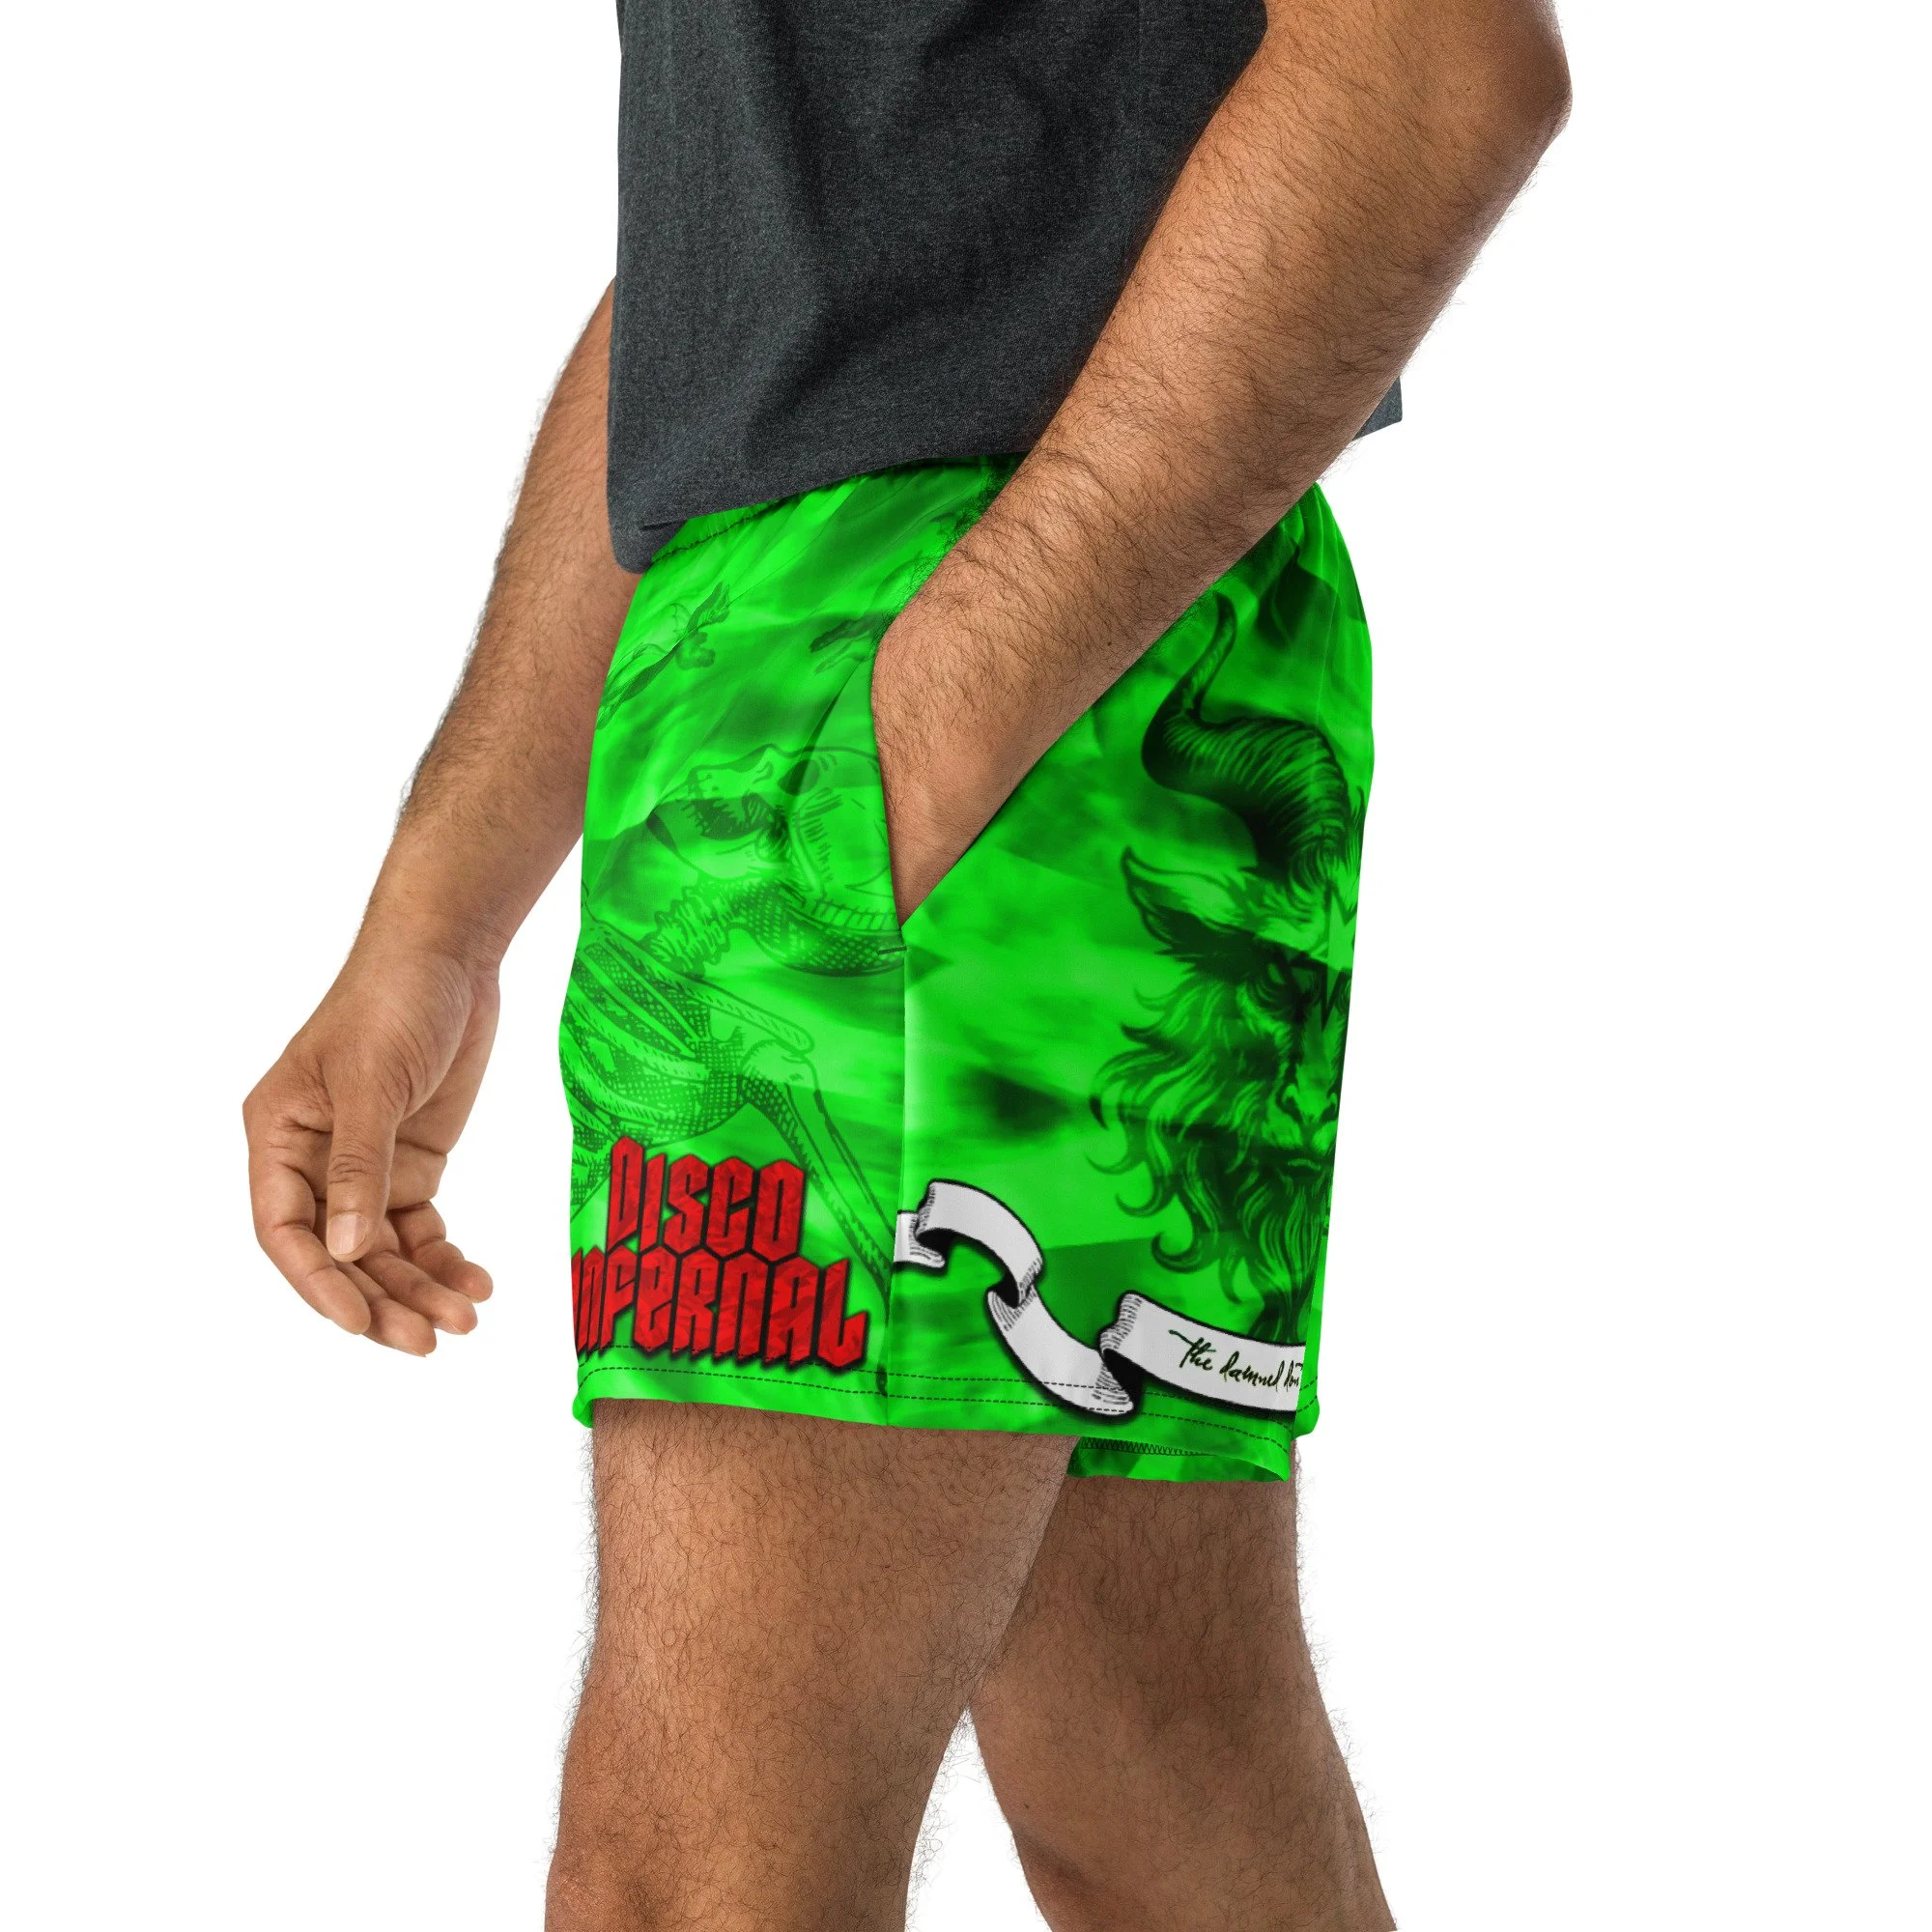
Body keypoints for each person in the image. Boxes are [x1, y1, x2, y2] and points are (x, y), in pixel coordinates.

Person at [243, 1, 1568, 1924]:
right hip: (981, 660)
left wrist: (927, 733)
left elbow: (1432, 61)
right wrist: (435, 911)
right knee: (1151, 1770)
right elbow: (771, 279)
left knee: (689, 1874)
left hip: (954, 663)